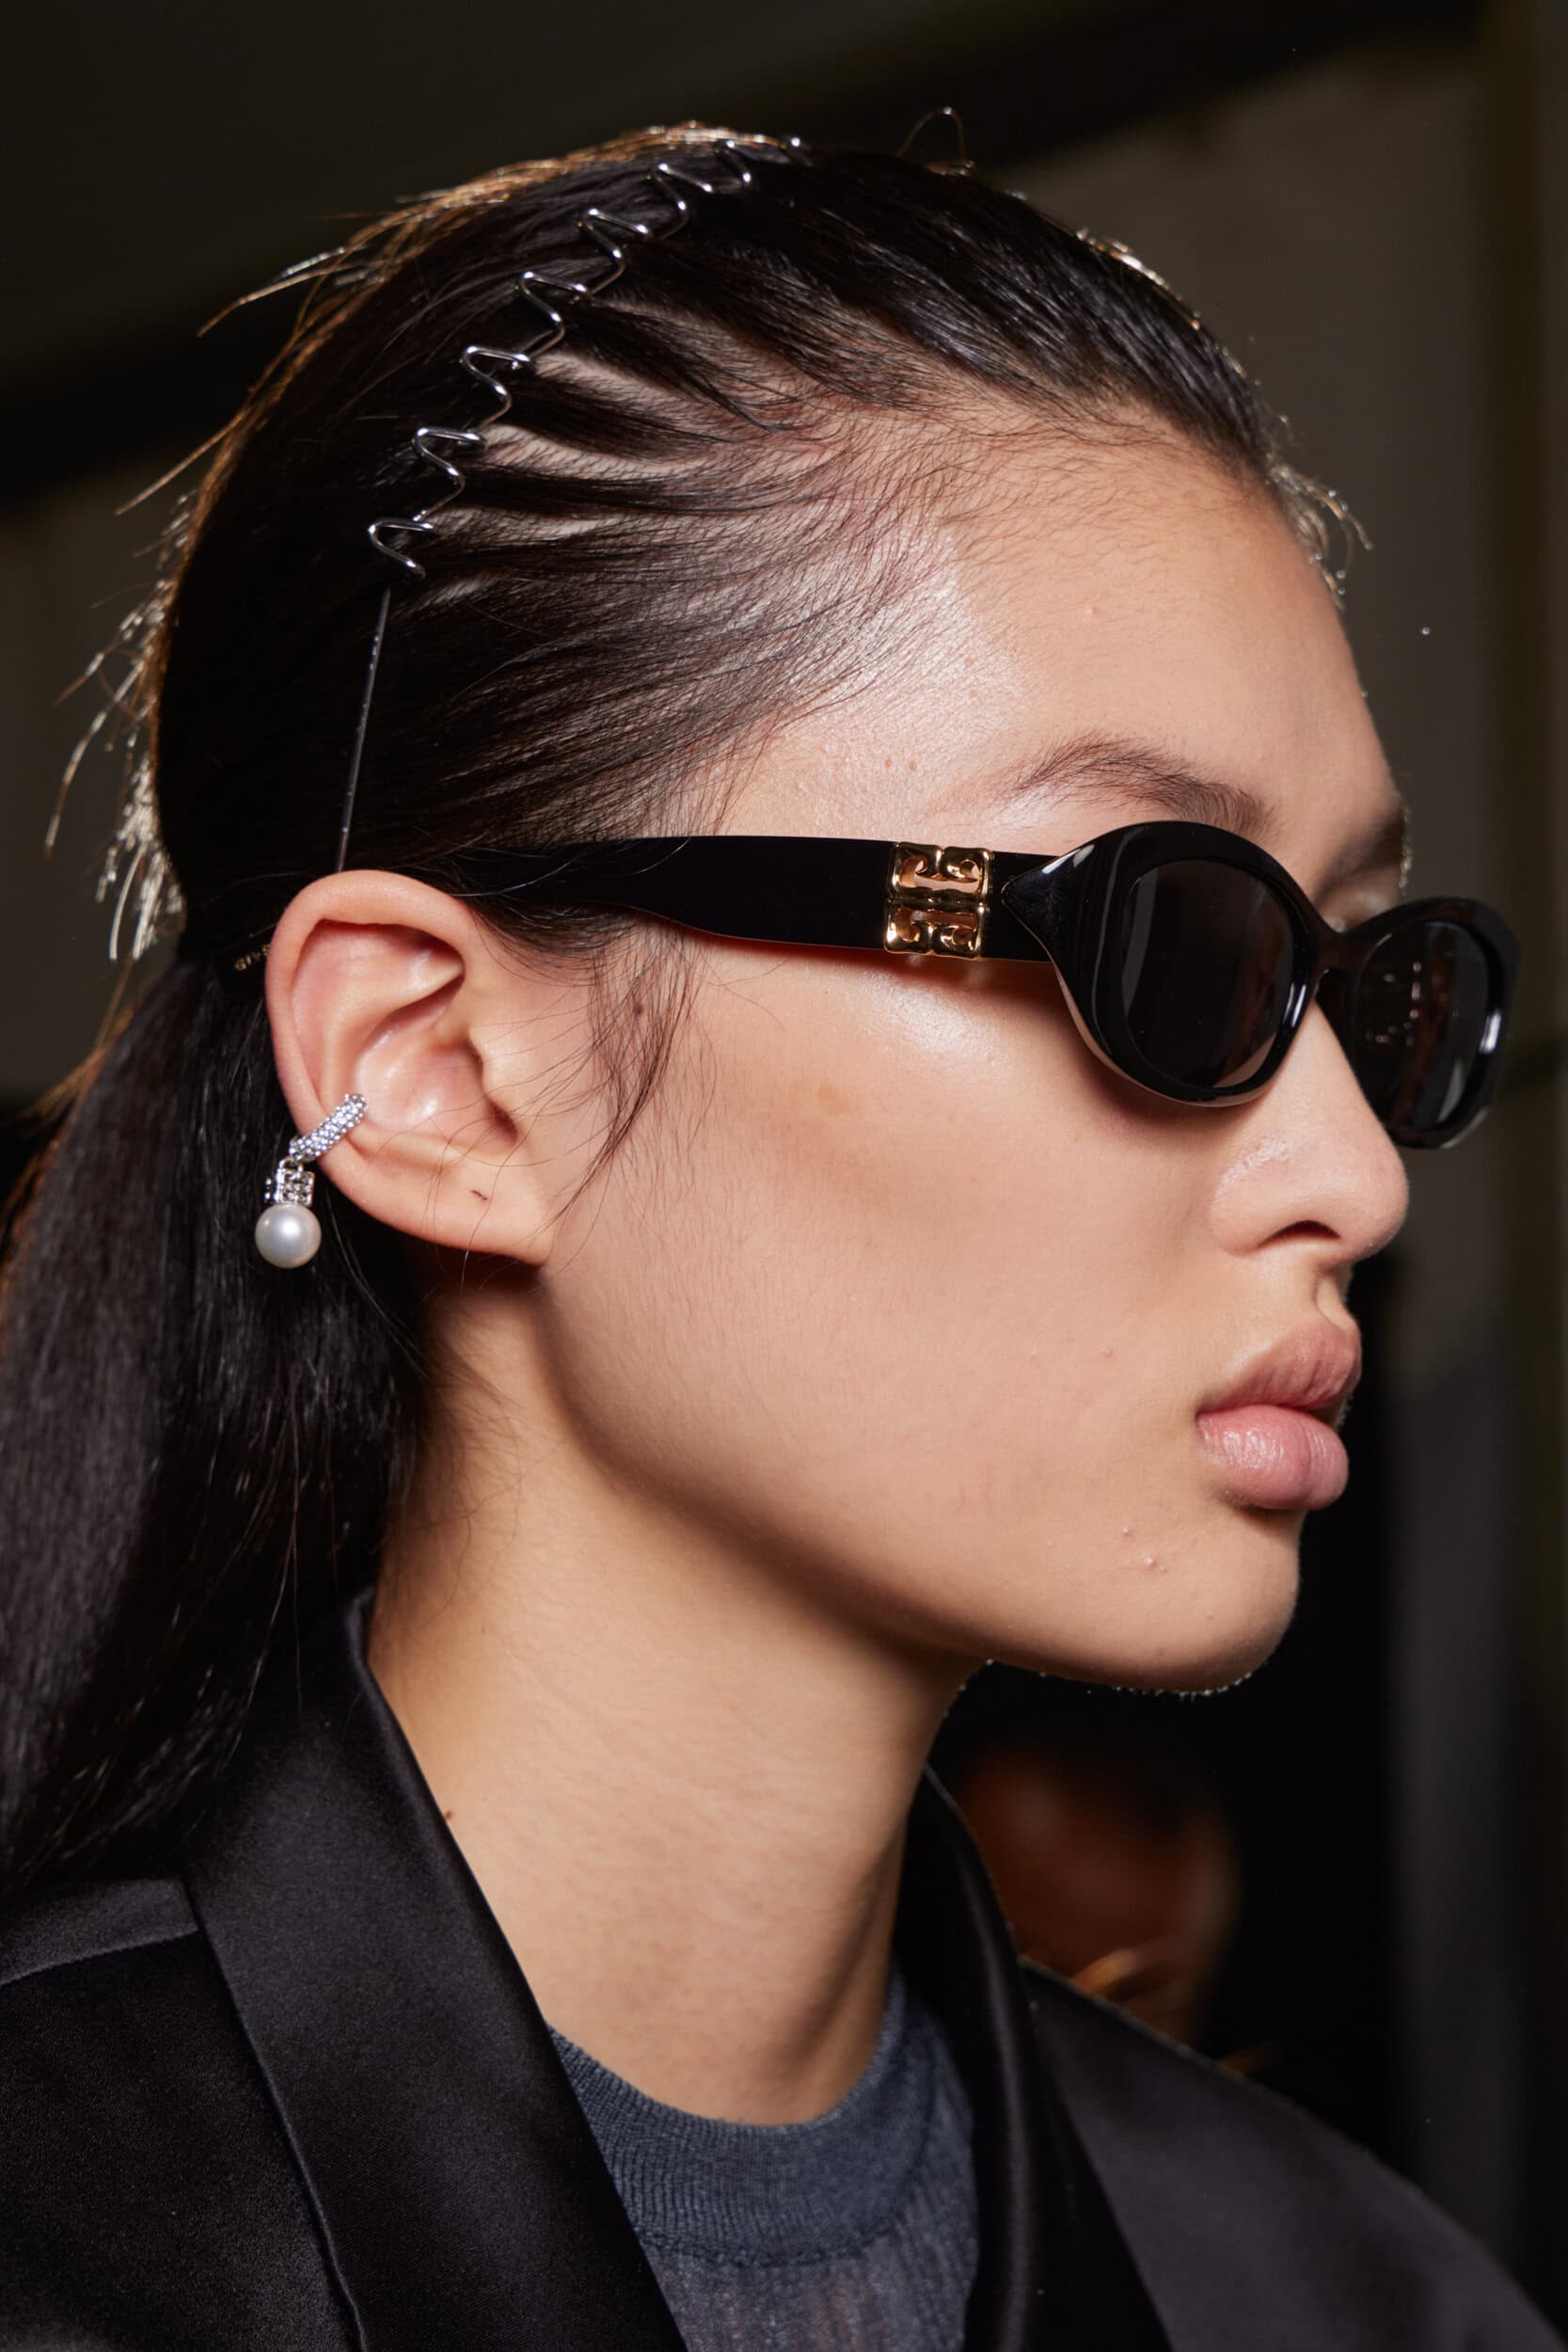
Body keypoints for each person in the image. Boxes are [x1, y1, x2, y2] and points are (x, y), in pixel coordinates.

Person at [0, 119, 1549, 2351]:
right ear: (438, 1068)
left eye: (1366, 985)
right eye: (1167, 941)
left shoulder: (1361, 2307)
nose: (1360, 1174)